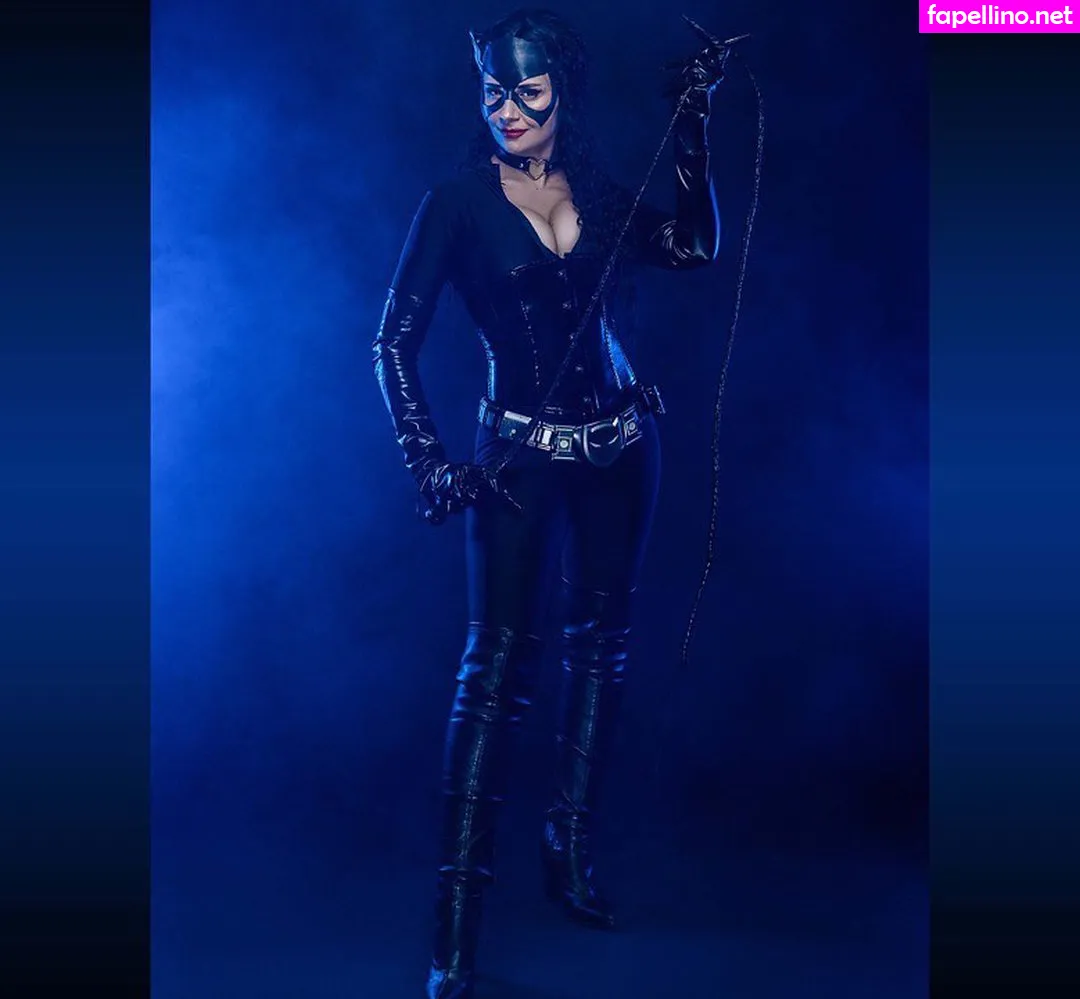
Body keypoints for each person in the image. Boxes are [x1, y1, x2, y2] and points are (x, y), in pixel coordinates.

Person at [372, 8, 724, 997]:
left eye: (528, 91)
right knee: (492, 676)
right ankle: (454, 932)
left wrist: (694, 125)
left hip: (624, 448)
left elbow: (694, 247)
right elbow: (391, 342)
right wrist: (431, 465)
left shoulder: (600, 193)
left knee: (602, 651)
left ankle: (568, 846)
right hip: (517, 460)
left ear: (562, 90)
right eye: (494, 91)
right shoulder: (455, 204)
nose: (509, 110)